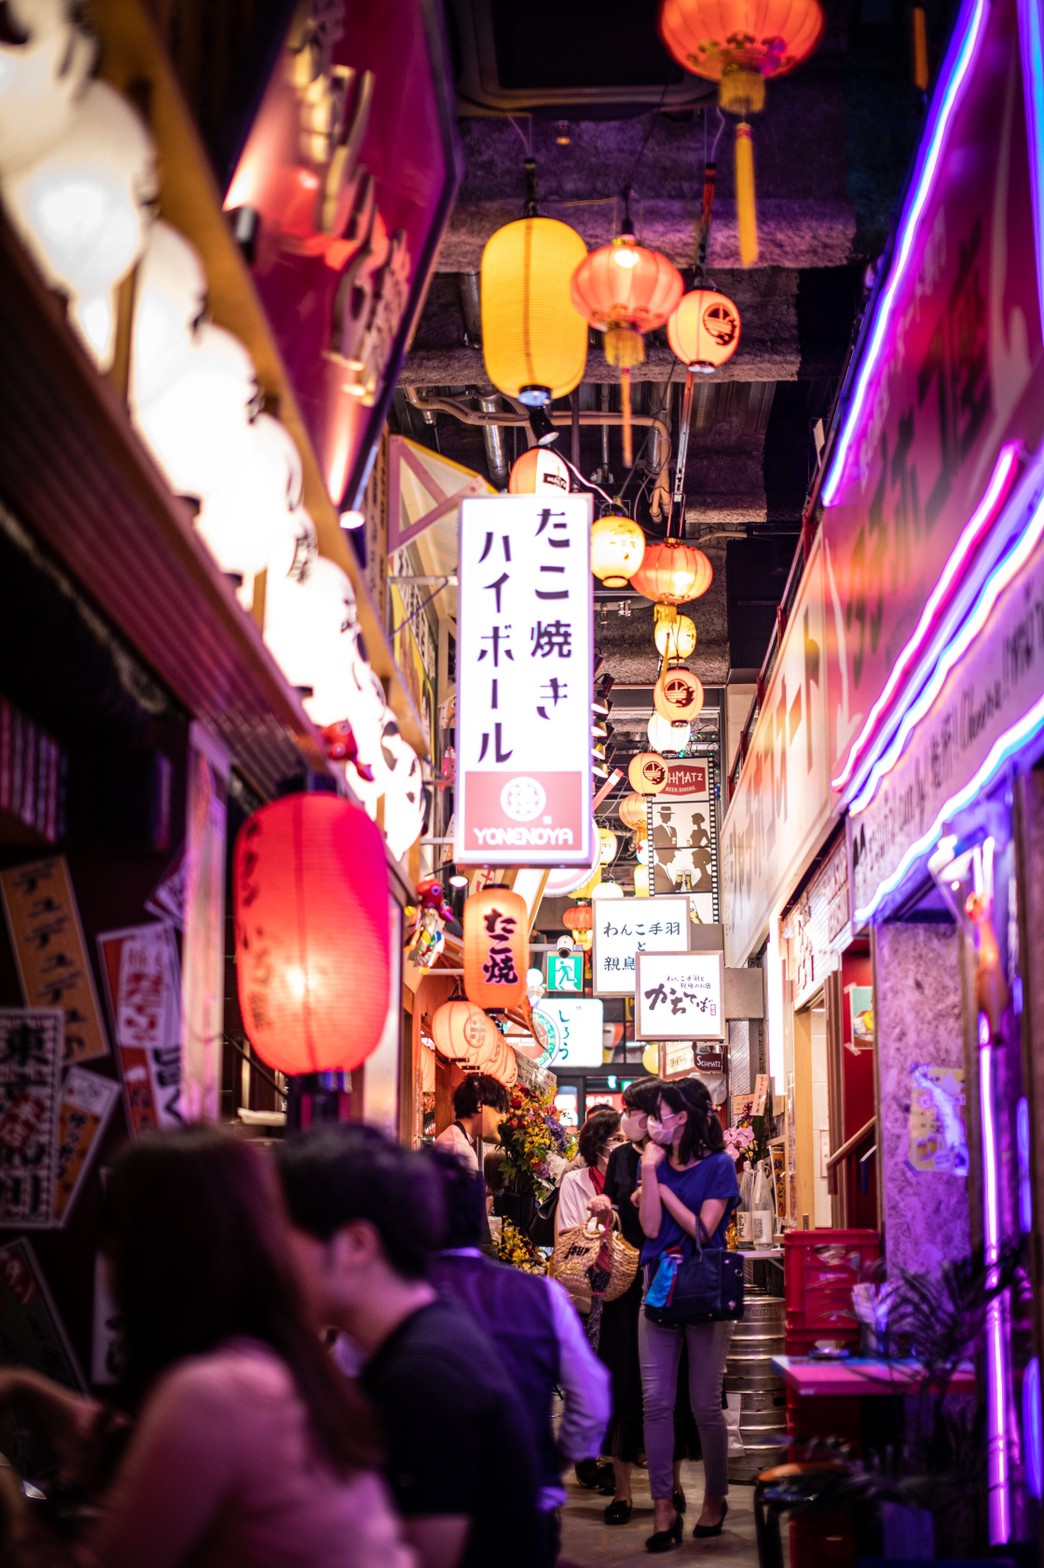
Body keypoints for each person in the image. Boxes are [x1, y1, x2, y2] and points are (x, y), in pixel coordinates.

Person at [0, 1126, 412, 1568]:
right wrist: (26, 1388)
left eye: (110, 1246)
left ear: (146, 1259)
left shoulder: (214, 1394)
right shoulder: (285, 1367)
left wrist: (6, 1490)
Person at [276, 1123, 540, 1568]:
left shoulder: (424, 1374)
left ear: (356, 1244)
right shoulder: (417, 1334)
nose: (273, 1258)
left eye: (285, 1235)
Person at [422, 1147, 611, 1567]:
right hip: (524, 1503)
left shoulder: (395, 1295)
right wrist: (551, 1463)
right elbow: (592, 1398)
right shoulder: (540, 1295)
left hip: (421, 1516)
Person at [588, 1078, 699, 1527]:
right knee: (623, 1377)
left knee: (671, 1382)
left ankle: (671, 1484)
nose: (629, 1118)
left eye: (636, 1110)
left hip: (669, 1277)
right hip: (626, 1281)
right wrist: (607, 1207)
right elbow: (617, 1209)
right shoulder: (619, 1157)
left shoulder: (680, 1155)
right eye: (628, 1110)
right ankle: (622, 1491)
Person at [637, 1078, 740, 1553]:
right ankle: (663, 1506)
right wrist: (650, 1172)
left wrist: (663, 1188)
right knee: (656, 1402)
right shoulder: (653, 1163)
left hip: (705, 1291)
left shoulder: (720, 1165)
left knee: (704, 1403)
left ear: (682, 1118)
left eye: (659, 1112)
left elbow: (702, 1230)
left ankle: (715, 1497)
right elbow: (651, 1228)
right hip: (659, 1290)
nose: (652, 1122)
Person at [555, 1106, 622, 1240]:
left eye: (629, 1141)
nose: (624, 1146)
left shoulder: (634, 1179)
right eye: (617, 1139)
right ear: (597, 1143)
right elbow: (566, 1235)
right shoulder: (573, 1180)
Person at [435, 1074, 509, 1173]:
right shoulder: (459, 1148)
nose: (503, 1118)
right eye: (500, 1109)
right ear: (480, 1105)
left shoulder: (455, 1139)